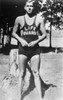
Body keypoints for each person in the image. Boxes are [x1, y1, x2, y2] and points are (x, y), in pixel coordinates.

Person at [12, 0, 47, 100]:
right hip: (23, 49)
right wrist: (20, 39)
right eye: (28, 6)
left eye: (31, 6)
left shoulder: (39, 19)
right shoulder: (19, 19)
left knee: (36, 72)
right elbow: (14, 33)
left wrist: (36, 41)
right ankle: (19, 97)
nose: (30, 8)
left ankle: (40, 97)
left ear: (33, 7)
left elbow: (44, 34)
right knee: (22, 73)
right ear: (24, 7)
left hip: (35, 50)